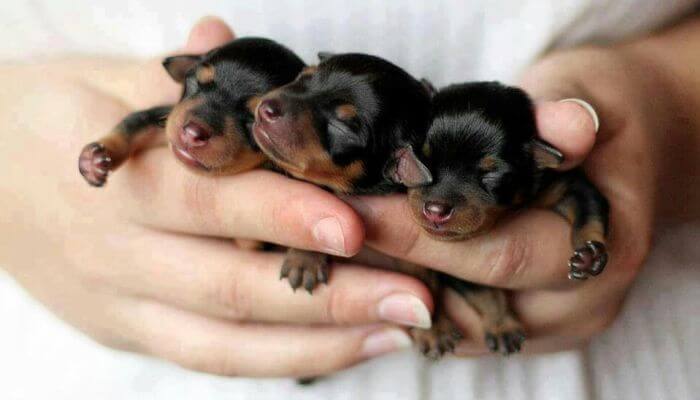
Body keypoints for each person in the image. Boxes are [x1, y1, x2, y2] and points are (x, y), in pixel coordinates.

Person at [1, 1, 699, 399]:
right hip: (87, 356)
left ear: (402, 166)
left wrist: (668, 107)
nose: (270, 110)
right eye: (298, 86)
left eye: (338, 119)